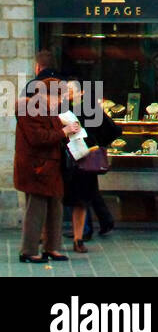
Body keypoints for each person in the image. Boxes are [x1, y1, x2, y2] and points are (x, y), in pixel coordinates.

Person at [15, 51, 78, 262]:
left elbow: (51, 134)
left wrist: (68, 130)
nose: (60, 101)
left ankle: (53, 247)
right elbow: (37, 138)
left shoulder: (49, 110)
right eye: (57, 96)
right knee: (36, 210)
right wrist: (64, 132)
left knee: (55, 208)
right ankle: (29, 250)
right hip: (36, 167)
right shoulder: (29, 109)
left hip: (51, 166)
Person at [61, 85, 122, 253]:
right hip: (67, 161)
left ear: (81, 92)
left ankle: (79, 237)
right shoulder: (61, 108)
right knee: (73, 199)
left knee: (81, 200)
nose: (67, 93)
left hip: (83, 160)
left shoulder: (88, 109)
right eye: (65, 90)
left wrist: (95, 142)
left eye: (70, 90)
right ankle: (81, 234)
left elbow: (114, 130)